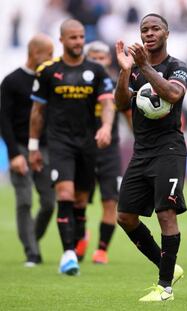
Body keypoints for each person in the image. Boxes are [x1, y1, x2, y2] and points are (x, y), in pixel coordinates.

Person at [28, 19, 115, 276]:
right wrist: (33, 147)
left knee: (80, 203)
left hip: (88, 144)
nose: (78, 42)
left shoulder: (96, 71)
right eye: (73, 37)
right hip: (60, 142)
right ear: (62, 40)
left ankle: (77, 246)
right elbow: (37, 112)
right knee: (64, 195)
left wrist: (106, 127)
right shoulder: (47, 71)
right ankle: (68, 255)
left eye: (81, 37)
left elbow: (108, 104)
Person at [114, 13, 187, 301]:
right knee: (125, 216)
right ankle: (167, 265)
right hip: (141, 150)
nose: (149, 33)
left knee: (165, 215)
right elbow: (121, 103)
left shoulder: (177, 67)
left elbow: (172, 94)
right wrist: (125, 70)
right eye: (144, 29)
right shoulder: (132, 69)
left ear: (166, 33)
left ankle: (165, 288)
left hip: (168, 149)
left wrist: (144, 66)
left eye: (155, 28)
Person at [0, 34, 55, 267]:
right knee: (24, 200)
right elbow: (4, 120)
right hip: (21, 148)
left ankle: (31, 237)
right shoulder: (12, 81)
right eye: (49, 54)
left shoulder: (50, 80)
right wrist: (14, 154)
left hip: (44, 149)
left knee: (49, 202)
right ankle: (32, 252)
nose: (52, 59)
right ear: (35, 53)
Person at [73, 40, 121, 265]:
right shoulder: (79, 84)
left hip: (110, 150)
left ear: (108, 60)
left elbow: (129, 114)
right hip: (83, 149)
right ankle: (81, 236)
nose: (98, 62)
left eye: (102, 58)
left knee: (110, 201)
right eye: (93, 58)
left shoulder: (117, 85)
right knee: (79, 199)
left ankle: (102, 250)